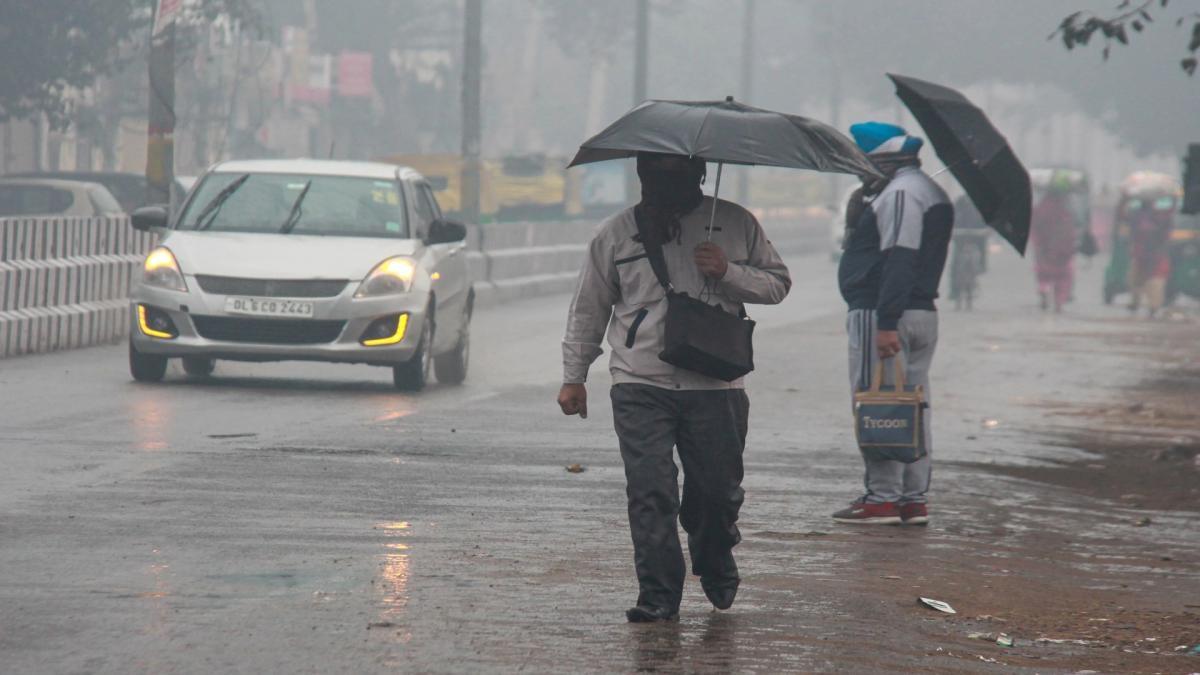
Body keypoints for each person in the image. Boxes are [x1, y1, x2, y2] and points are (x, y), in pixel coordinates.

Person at [558, 152, 791, 622]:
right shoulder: (616, 233)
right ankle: (658, 595)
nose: (663, 181)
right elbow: (589, 305)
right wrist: (573, 375)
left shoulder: (735, 223)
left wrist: (727, 271)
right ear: (641, 174)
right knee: (650, 492)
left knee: (716, 494)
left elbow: (777, 285)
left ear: (699, 173)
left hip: (717, 384)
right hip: (640, 381)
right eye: (654, 171)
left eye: (675, 171)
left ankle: (715, 554)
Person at [833, 122, 954, 525]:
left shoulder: (901, 193)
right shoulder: (927, 190)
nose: (860, 171)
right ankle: (912, 497)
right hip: (918, 313)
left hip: (885, 315)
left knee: (879, 402)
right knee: (913, 406)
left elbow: (900, 257)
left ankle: (883, 497)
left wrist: (886, 322)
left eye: (862, 162)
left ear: (882, 159)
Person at [1031, 176, 1079, 313]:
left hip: (1042, 246)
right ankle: (1059, 302)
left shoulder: (1040, 208)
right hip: (1062, 248)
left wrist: (1037, 243)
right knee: (1063, 275)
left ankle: (1044, 288)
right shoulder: (1066, 210)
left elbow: (1034, 227)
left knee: (1043, 272)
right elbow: (1070, 230)